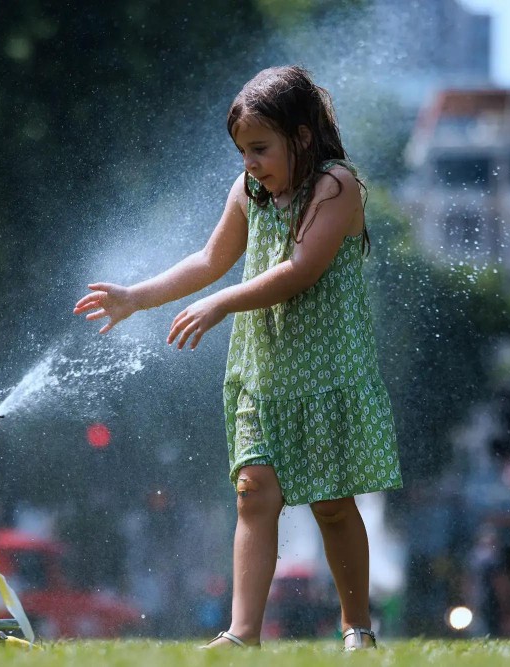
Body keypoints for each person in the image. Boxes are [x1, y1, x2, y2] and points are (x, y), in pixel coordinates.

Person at [74, 65, 402, 650]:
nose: (250, 163)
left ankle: (357, 628)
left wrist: (221, 305)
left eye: (260, 149)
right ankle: (242, 634)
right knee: (253, 492)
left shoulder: (335, 185)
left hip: (327, 371)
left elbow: (299, 272)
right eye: (243, 152)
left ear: (301, 137)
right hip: (263, 372)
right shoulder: (251, 190)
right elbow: (208, 260)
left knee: (331, 502)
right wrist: (135, 297)